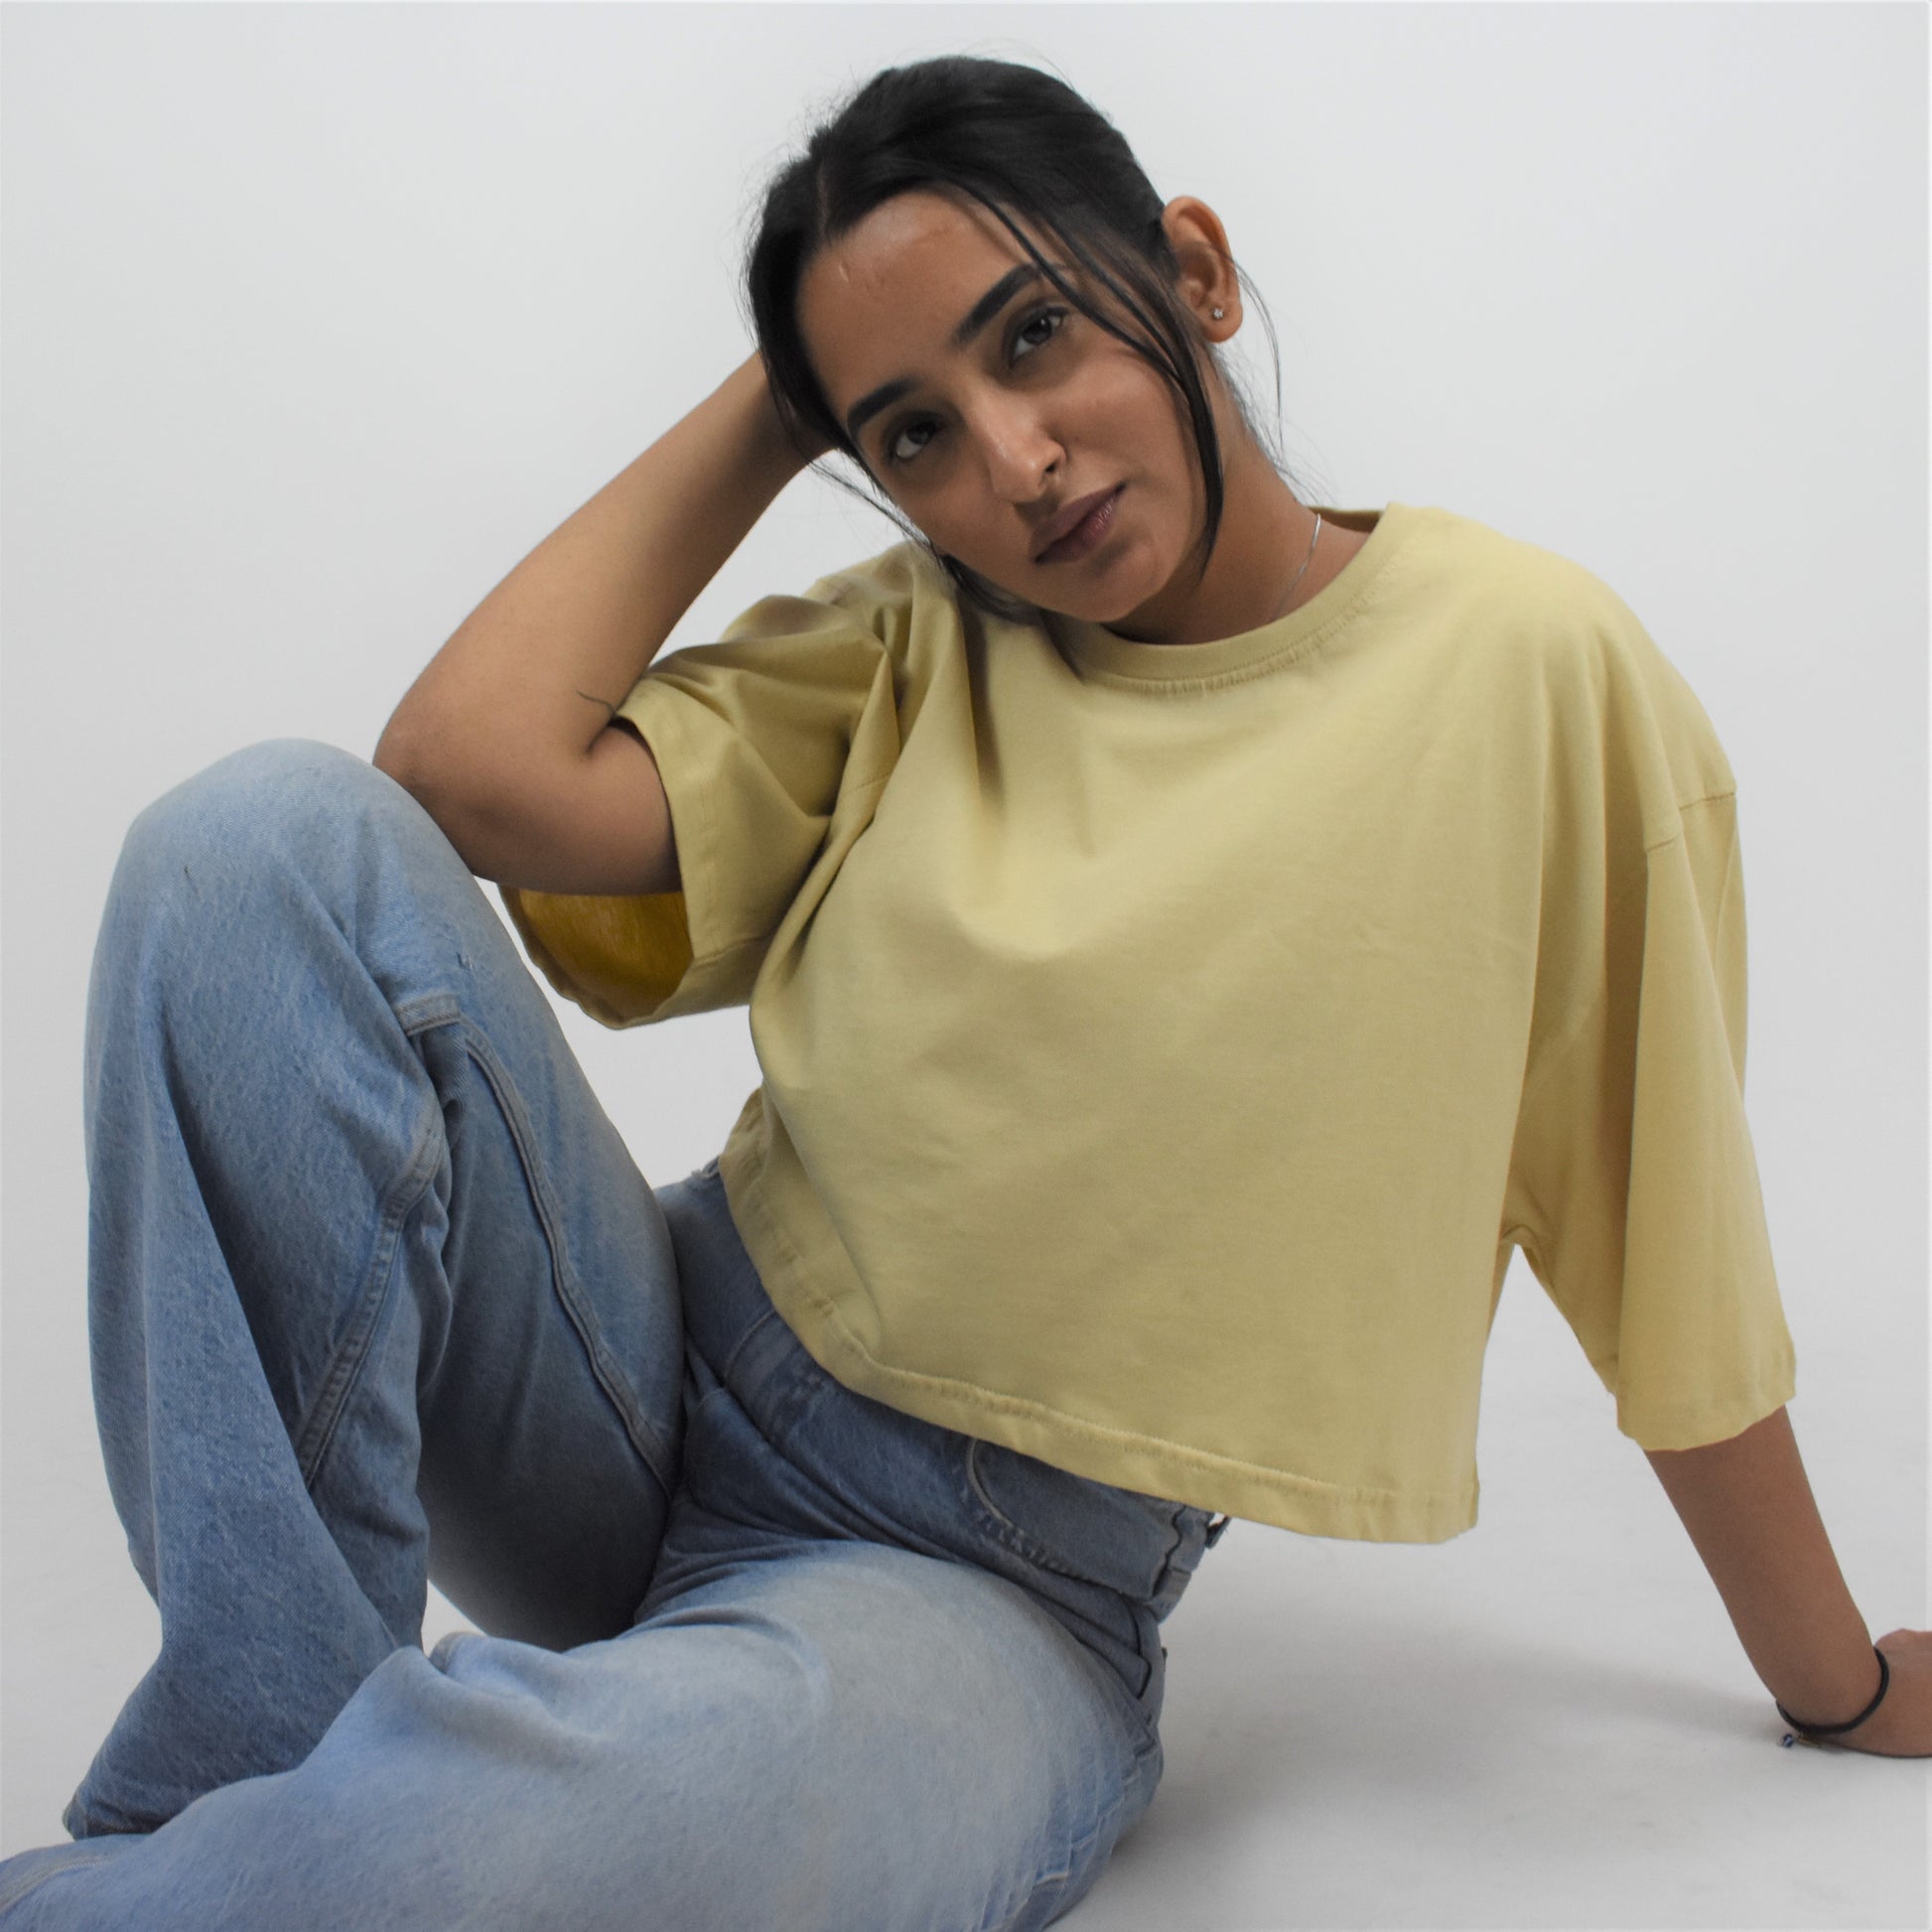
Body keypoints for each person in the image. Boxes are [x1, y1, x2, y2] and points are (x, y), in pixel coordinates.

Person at [0, 49, 1923, 1932]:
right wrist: (794, 392)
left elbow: (1668, 1241)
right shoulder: (919, 641)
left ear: (1192, 270)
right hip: (636, 1371)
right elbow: (459, 777)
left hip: (975, 1598)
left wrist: (1829, 1683)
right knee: (254, 840)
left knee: (503, 1868)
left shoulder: (1525, 666)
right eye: (912, 432)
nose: (1014, 462)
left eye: (1034, 336)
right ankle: (233, 1788)